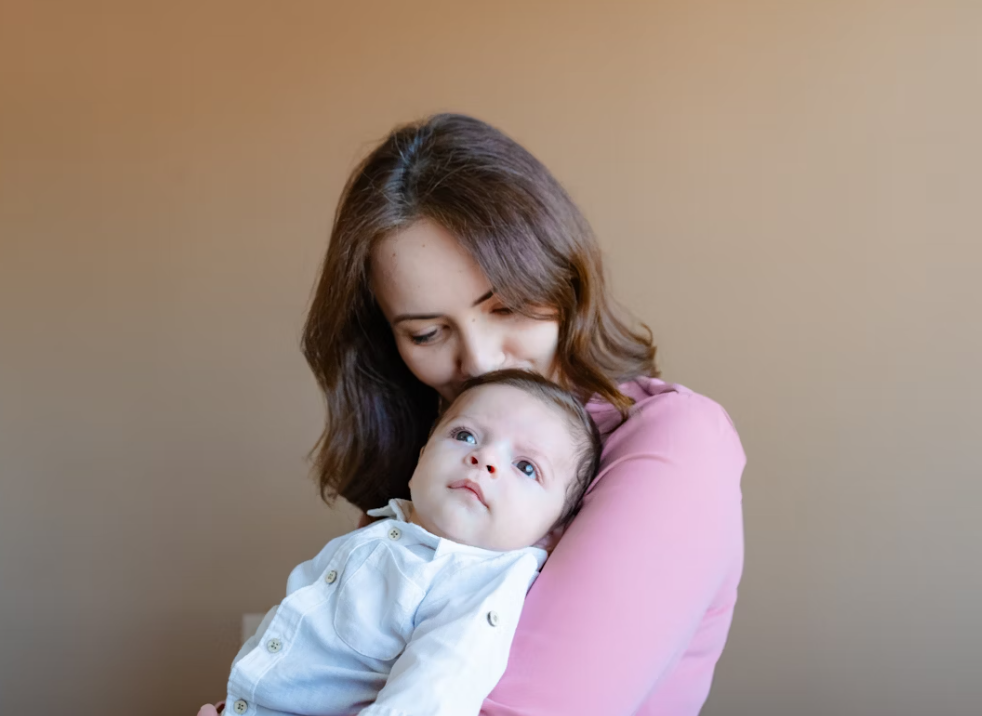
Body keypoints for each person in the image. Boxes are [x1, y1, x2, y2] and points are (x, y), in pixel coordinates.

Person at [202, 112, 746, 715]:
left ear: (563, 276)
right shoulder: (443, 463)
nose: (482, 361)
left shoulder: (675, 441)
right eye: (429, 332)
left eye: (507, 307)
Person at [200, 370, 602, 716]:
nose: (485, 458)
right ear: (423, 456)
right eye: (465, 435)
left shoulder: (480, 583)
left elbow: (433, 688)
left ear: (553, 532)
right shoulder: (390, 531)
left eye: (526, 466)